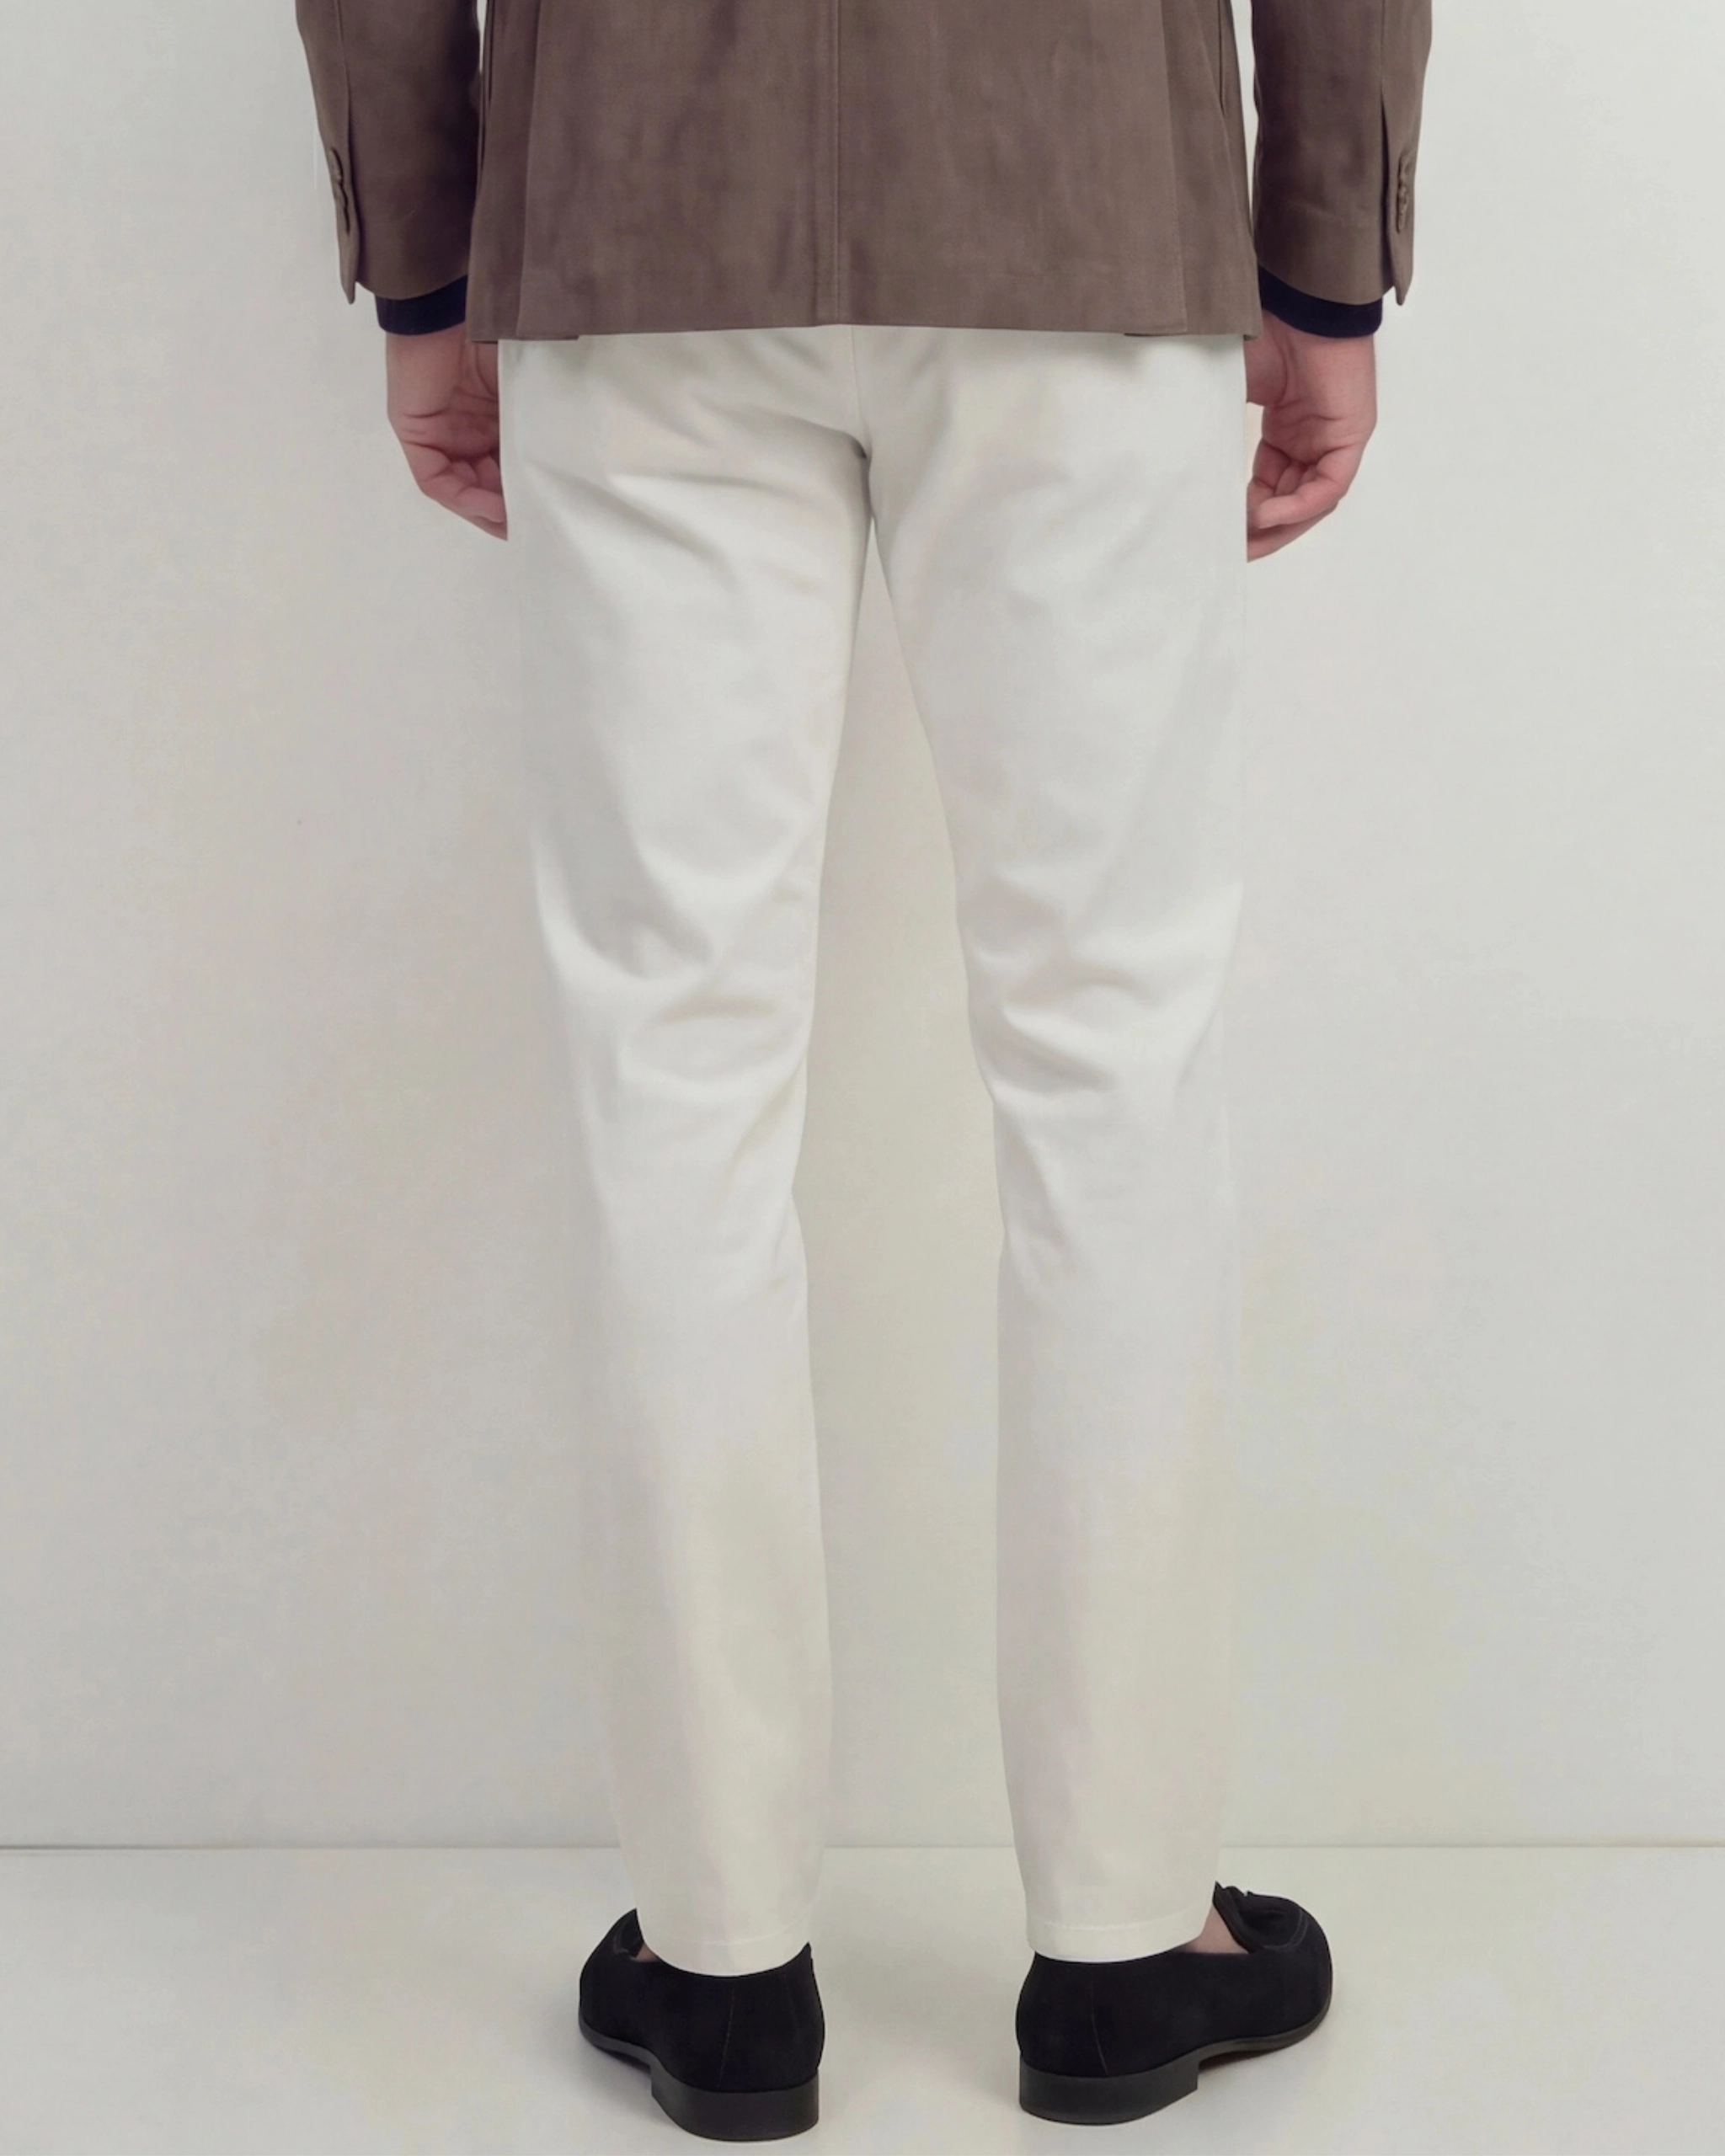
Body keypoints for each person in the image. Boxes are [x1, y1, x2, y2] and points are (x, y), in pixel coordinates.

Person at [294, 1, 1432, 2137]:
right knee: (1109, 1064)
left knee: (675, 1078)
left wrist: (427, 266)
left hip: (635, 219)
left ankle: (720, 1959)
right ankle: (1126, 1938)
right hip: (1083, 201)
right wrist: (1326, 262)